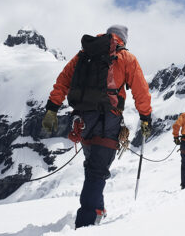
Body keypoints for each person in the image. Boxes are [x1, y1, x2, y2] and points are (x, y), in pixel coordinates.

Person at [41, 25, 152, 228]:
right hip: (107, 119)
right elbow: (141, 91)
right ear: (123, 40)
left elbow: (63, 81)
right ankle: (85, 225)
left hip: (83, 119)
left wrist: (52, 108)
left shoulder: (84, 54)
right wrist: (146, 118)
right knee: (97, 170)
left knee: (93, 165)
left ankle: (98, 209)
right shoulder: (126, 58)